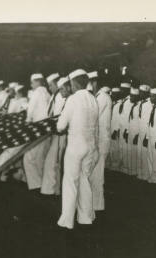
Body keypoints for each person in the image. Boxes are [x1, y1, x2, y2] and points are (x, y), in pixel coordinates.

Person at [56, 69, 99, 229]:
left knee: (70, 182)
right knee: (84, 180)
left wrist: (59, 125)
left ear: (74, 83)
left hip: (75, 146)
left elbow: (61, 126)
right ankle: (86, 217)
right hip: (90, 145)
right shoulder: (93, 99)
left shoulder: (73, 99)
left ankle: (67, 221)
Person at [22, 73, 51, 190]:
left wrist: (27, 121)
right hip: (47, 129)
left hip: (37, 129)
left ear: (36, 81)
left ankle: (36, 185)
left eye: (32, 82)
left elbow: (31, 110)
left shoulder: (36, 93)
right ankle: (42, 184)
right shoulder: (47, 93)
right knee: (41, 158)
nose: (31, 85)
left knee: (28, 158)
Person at [41, 73, 67, 196]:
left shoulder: (61, 97)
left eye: (51, 85)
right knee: (53, 162)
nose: (49, 88)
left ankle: (54, 190)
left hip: (60, 133)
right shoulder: (54, 96)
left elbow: (59, 115)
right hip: (54, 133)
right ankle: (54, 189)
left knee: (55, 162)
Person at [90, 76, 113, 211]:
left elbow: (92, 115)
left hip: (101, 142)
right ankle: (94, 204)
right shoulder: (98, 97)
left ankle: (97, 206)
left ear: (95, 83)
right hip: (98, 141)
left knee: (97, 176)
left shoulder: (102, 97)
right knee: (94, 175)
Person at [136, 84, 152, 180]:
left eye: (142, 92)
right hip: (140, 131)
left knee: (146, 154)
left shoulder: (150, 104)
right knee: (140, 153)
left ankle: (146, 175)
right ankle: (141, 174)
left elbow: (149, 122)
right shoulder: (141, 103)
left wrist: (146, 136)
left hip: (146, 133)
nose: (140, 94)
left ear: (146, 93)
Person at [125, 88, 141, 176]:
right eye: (130, 96)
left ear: (137, 97)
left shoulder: (139, 106)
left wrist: (137, 134)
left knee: (135, 154)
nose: (130, 98)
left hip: (136, 133)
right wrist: (127, 131)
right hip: (130, 131)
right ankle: (131, 171)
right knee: (130, 153)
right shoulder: (133, 106)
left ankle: (135, 172)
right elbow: (129, 120)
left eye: (132, 96)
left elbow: (140, 122)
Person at [117, 82, 132, 174]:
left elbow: (129, 119)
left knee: (126, 150)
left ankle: (126, 170)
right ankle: (122, 168)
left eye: (123, 89)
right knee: (121, 149)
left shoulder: (130, 102)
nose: (121, 91)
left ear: (127, 90)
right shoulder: (123, 101)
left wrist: (127, 130)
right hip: (121, 128)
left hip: (126, 130)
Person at [106, 87, 122, 171]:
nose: (113, 96)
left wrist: (116, 130)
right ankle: (110, 164)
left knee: (116, 148)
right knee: (110, 148)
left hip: (115, 130)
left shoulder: (120, 105)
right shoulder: (112, 103)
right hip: (110, 128)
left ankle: (116, 166)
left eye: (115, 94)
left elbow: (120, 119)